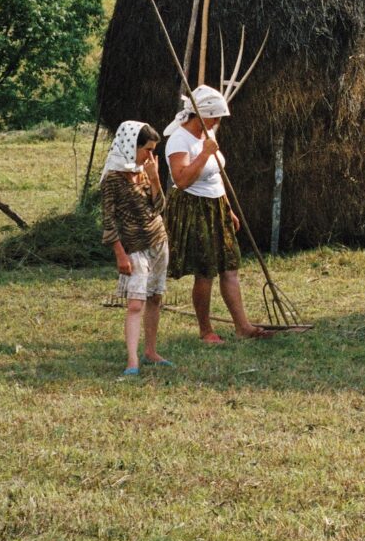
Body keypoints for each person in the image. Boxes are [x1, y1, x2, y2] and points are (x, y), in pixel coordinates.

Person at [164, 83, 268, 345]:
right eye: (217, 116)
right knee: (205, 270)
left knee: (229, 266)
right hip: (194, 207)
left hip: (215, 205)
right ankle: (205, 330)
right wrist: (205, 154)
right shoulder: (180, 139)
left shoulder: (205, 136)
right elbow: (182, 180)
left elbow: (215, 177)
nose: (219, 121)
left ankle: (242, 326)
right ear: (203, 114)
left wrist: (227, 208)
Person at [101, 120, 171, 377]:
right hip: (134, 247)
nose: (150, 156)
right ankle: (132, 360)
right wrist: (119, 253)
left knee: (154, 297)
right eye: (147, 150)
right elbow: (108, 220)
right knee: (134, 303)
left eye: (154, 151)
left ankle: (151, 352)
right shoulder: (112, 179)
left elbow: (159, 207)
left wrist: (154, 179)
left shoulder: (143, 171)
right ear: (132, 146)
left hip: (158, 241)